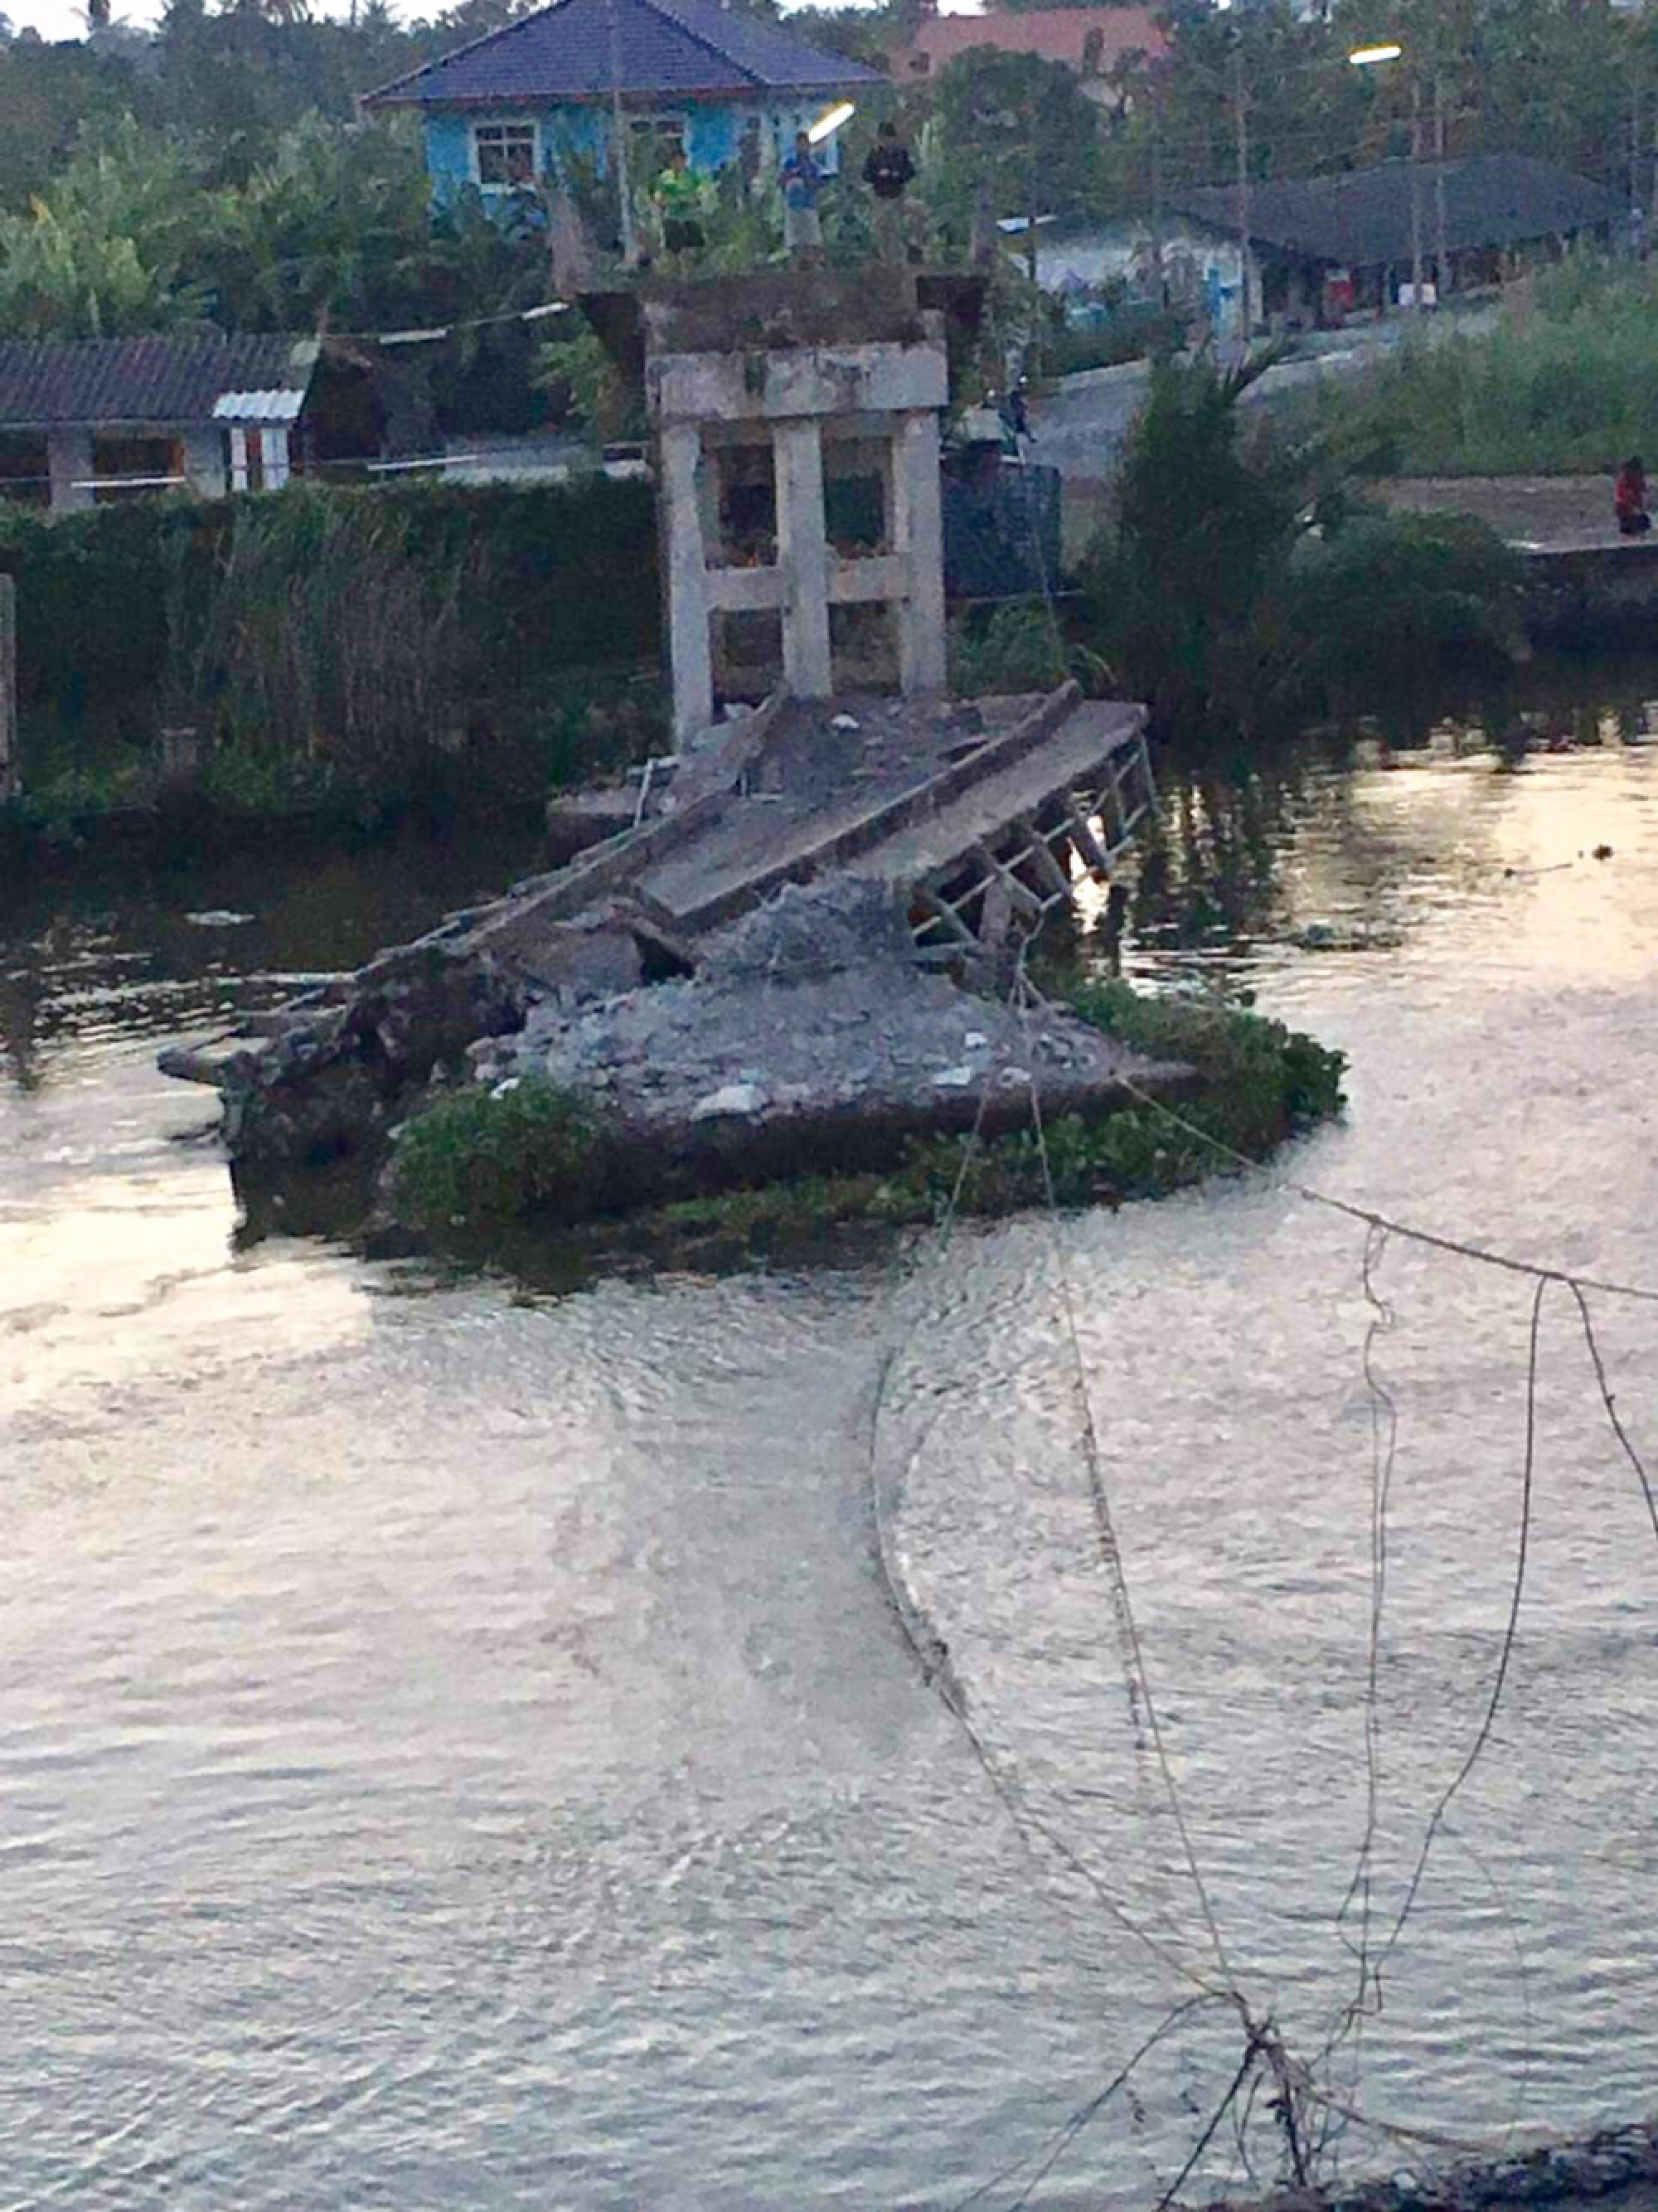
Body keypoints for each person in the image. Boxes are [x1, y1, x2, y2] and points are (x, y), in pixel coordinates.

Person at [862, 119, 918, 266]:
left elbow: (910, 171)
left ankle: (897, 260)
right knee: (882, 228)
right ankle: (885, 259)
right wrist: (878, 174)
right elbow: (866, 174)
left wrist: (897, 174)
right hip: (880, 196)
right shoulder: (874, 155)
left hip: (896, 195)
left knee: (896, 228)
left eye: (889, 138)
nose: (887, 141)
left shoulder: (901, 154)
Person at [652, 145, 704, 269]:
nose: (678, 163)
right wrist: (667, 201)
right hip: (672, 217)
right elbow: (658, 197)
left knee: (692, 248)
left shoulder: (692, 176)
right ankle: (677, 272)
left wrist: (693, 199)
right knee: (674, 249)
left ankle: (690, 271)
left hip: (690, 217)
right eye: (675, 161)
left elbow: (700, 193)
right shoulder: (665, 177)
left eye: (681, 160)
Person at [780, 130, 826, 268]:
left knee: (812, 239)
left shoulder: (813, 166)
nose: (802, 147)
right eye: (800, 144)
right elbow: (782, 181)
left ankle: (813, 265)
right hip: (793, 207)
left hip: (808, 206)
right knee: (794, 241)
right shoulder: (789, 164)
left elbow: (816, 184)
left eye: (805, 145)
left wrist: (805, 179)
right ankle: (795, 267)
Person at [1615, 455, 1651, 536]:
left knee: (1641, 521)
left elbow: (1644, 489)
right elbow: (1623, 496)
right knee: (1630, 523)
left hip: (1636, 507)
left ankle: (1639, 535)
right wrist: (1632, 507)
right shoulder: (1624, 480)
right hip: (1626, 507)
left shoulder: (1638, 476)